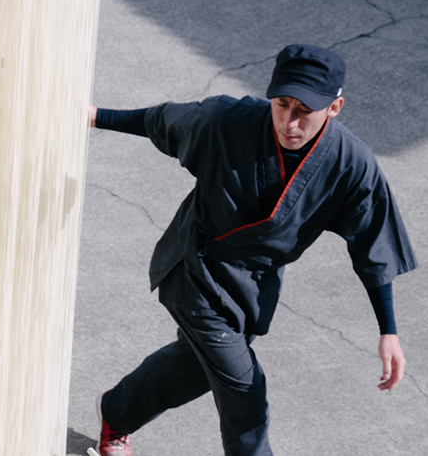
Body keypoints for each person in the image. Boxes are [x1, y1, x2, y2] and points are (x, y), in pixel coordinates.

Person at [89, 44, 417, 456]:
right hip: (196, 268)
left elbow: (375, 247)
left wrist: (388, 331)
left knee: (196, 368)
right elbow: (161, 120)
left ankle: (117, 411)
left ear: (335, 108)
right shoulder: (227, 121)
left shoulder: (352, 164)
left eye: (305, 111)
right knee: (245, 390)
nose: (289, 121)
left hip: (252, 285)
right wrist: (95, 116)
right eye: (282, 104)